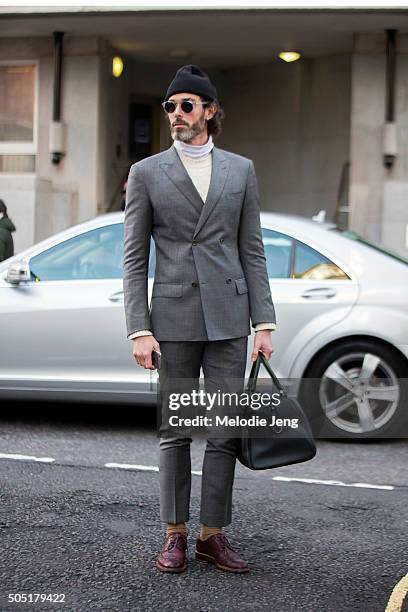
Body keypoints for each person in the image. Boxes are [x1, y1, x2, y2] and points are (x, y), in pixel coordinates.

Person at [123, 65, 277, 574]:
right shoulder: (145, 173)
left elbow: (252, 250)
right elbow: (134, 258)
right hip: (172, 318)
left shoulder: (242, 170)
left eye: (187, 105)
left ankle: (213, 534)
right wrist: (139, 327)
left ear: (210, 111)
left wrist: (264, 322)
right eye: (170, 106)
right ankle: (174, 534)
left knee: (224, 428)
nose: (177, 115)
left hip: (231, 319)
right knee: (176, 430)